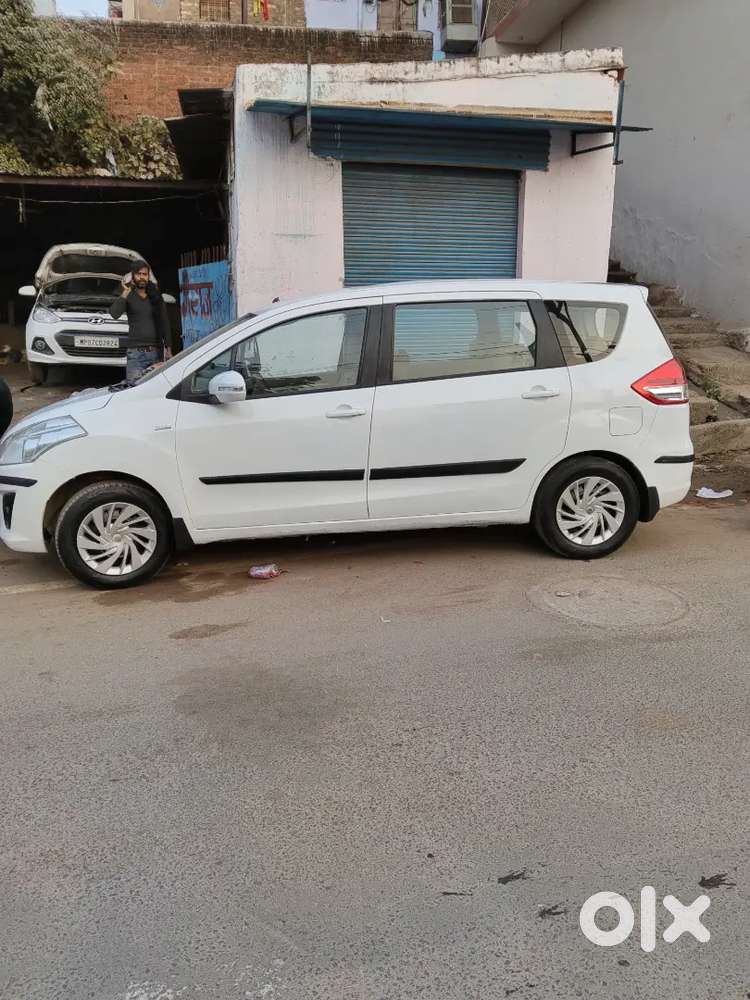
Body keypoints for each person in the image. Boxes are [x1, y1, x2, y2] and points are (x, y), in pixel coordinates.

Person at [109, 260, 171, 383]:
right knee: (133, 388)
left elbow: (165, 322)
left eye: (145, 274)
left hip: (156, 353)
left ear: (148, 276)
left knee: (154, 390)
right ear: (133, 276)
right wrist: (125, 292)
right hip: (135, 354)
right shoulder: (129, 295)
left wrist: (168, 349)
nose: (142, 277)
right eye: (138, 274)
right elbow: (114, 314)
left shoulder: (155, 296)